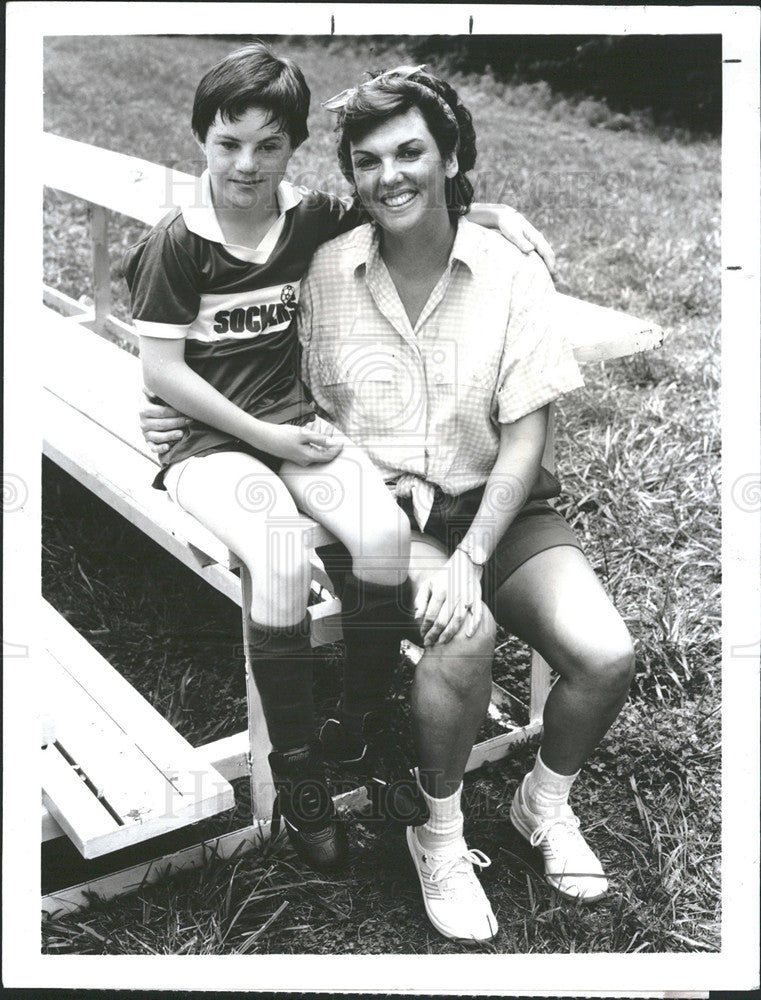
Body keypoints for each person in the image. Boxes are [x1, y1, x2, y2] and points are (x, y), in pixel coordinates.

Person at [140, 62, 636, 944]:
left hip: (499, 511)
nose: (389, 175)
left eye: (411, 153)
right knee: (462, 632)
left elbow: (528, 438)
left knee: (605, 656)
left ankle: (540, 805)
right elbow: (232, 359)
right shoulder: (328, 261)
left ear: (451, 156)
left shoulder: (508, 268)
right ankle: (433, 831)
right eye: (367, 161)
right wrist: (172, 404)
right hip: (388, 512)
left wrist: (475, 552)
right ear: (350, 178)